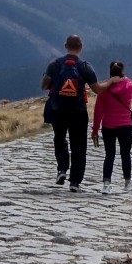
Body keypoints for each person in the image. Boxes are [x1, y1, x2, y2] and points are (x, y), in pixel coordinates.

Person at [41, 34, 98, 189]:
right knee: (78, 145)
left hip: (58, 109)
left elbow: (44, 86)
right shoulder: (85, 66)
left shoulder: (54, 65)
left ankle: (61, 169)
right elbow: (97, 89)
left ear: (65, 46)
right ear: (81, 47)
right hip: (78, 110)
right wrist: (113, 82)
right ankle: (75, 182)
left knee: (59, 138)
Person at [90, 60, 132, 193]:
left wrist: (95, 129)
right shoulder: (128, 85)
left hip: (108, 126)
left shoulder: (104, 89)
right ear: (122, 72)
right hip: (125, 125)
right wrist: (127, 80)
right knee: (125, 153)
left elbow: (98, 111)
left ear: (110, 72)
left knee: (109, 155)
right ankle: (127, 181)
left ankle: (106, 185)